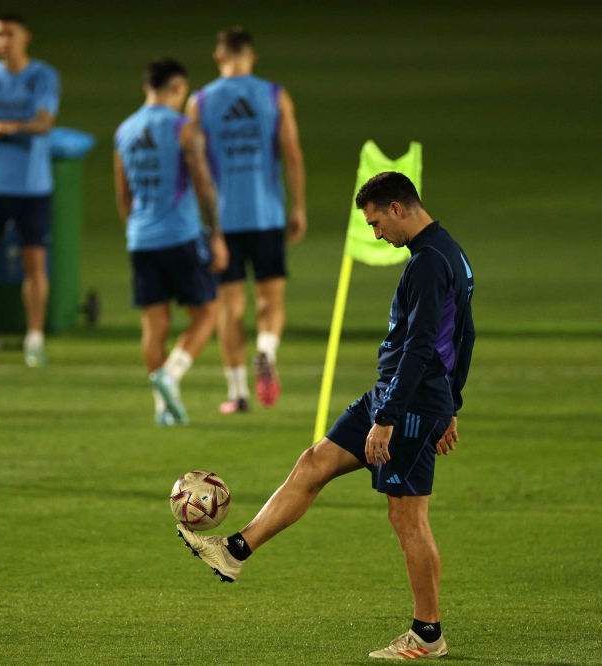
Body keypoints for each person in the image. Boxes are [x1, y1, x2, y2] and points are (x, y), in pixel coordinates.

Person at [178, 172, 475, 660]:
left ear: (398, 208)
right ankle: (234, 552)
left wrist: (398, 417)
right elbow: (465, 337)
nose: (377, 234)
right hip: (398, 396)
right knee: (315, 461)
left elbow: (423, 346)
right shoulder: (453, 254)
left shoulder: (427, 262)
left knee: (407, 517)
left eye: (377, 222)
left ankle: (427, 634)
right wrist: (453, 403)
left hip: (408, 404)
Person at [186, 26, 306, 413]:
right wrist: (298, 206)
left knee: (230, 307)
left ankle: (237, 394)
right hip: (266, 213)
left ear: (219, 57)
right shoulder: (274, 95)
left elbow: (195, 165)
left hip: (222, 222)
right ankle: (266, 349)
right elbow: (292, 154)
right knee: (271, 299)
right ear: (252, 57)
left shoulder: (200, 102)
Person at [114, 58, 229, 425]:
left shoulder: (125, 131)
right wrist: (217, 237)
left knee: (154, 324)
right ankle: (171, 375)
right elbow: (203, 185)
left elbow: (123, 196)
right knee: (207, 312)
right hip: (179, 235)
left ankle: (163, 409)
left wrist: (135, 231)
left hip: (140, 239)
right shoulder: (183, 128)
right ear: (178, 88)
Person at [0, 12, 60, 368]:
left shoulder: (43, 75)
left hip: (32, 187)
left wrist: (11, 126)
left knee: (35, 265)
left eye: (9, 34)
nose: (3, 41)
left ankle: (35, 339)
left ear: (25, 37)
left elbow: (45, 122)